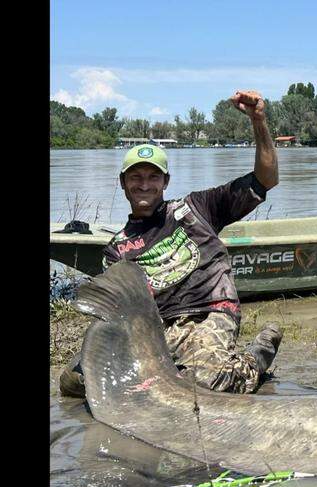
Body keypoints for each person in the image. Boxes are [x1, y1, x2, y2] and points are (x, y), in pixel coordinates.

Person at [60, 90, 283, 397]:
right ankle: (176, 370)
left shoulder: (196, 208)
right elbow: (120, 312)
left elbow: (266, 179)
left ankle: (255, 357)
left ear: (165, 182)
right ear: (122, 183)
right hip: (156, 330)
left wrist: (258, 121)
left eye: (153, 177)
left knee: (208, 382)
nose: (144, 184)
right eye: (135, 177)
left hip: (208, 313)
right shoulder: (116, 249)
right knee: (75, 382)